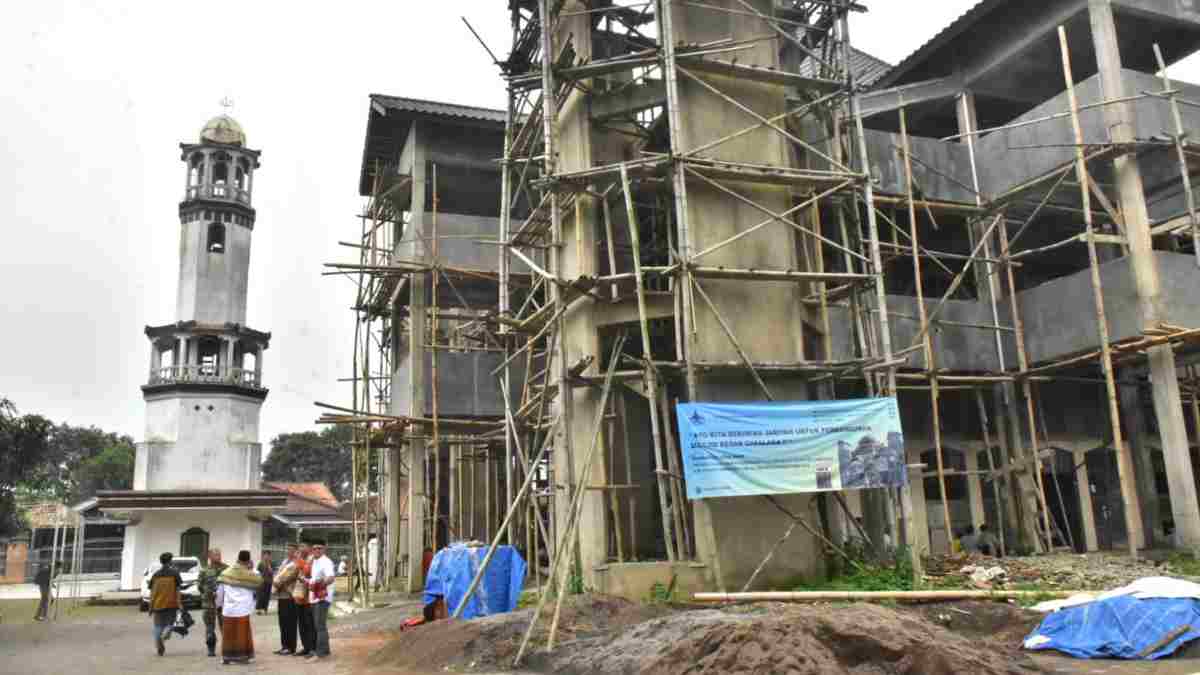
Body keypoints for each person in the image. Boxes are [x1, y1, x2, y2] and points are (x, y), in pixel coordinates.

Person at [216, 549, 260, 665]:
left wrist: (218, 605)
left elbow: (220, 592)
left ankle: (227, 657)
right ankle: (243, 657)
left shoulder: (225, 573)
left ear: (238, 558)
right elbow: (259, 583)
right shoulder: (251, 575)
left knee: (228, 634)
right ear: (248, 560)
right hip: (243, 609)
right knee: (242, 634)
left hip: (228, 609)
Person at [147, 552, 182, 657]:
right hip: (171, 604)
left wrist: (150, 607)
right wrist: (179, 604)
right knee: (170, 624)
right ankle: (164, 637)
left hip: (158, 605)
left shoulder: (155, 575)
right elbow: (178, 590)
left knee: (158, 626)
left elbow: (152, 593)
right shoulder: (175, 574)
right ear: (170, 561)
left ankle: (159, 644)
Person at [306, 539, 336, 660]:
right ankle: (325, 650)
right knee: (319, 625)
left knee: (320, 626)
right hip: (315, 597)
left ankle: (320, 653)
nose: (317, 550)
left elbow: (331, 578)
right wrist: (307, 581)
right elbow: (314, 579)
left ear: (324, 549)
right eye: (315, 548)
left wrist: (321, 584)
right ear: (312, 550)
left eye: (319, 548)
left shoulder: (326, 562)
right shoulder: (315, 561)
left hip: (322, 598)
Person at [271, 543, 300, 655]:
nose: (289, 552)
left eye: (292, 550)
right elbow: (279, 574)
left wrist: (279, 583)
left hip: (290, 595)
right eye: (288, 549)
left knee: (290, 622)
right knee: (282, 622)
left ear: (296, 551)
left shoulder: (296, 563)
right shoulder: (285, 562)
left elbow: (291, 576)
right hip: (281, 595)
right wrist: (277, 583)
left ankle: (291, 647)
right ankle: (284, 646)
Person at [198, 548, 228, 657]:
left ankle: (227, 648)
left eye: (219, 554)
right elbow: (200, 586)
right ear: (209, 557)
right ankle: (211, 649)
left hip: (224, 604)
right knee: (210, 627)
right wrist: (208, 594)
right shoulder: (204, 570)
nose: (218, 557)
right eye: (215, 555)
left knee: (224, 626)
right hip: (209, 603)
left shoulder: (227, 569)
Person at [292, 543, 317, 657]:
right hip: (299, 596)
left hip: (309, 598)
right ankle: (305, 647)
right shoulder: (301, 559)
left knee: (309, 624)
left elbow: (307, 572)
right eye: (300, 546)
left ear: (309, 548)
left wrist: (300, 561)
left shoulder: (312, 559)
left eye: (304, 546)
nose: (301, 549)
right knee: (301, 624)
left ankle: (312, 648)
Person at [256, 550, 274, 615]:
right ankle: (259, 609)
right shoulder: (260, 563)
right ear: (263, 556)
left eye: (268, 555)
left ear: (270, 556)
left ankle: (265, 609)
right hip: (261, 582)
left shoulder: (272, 563)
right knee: (260, 596)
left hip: (269, 582)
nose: (266, 557)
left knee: (267, 596)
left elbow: (272, 572)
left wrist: (269, 566)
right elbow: (258, 572)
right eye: (265, 555)